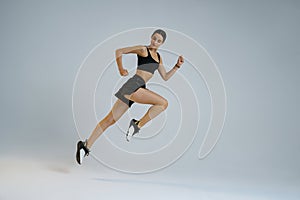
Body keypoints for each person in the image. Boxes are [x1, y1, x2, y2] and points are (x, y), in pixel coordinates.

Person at [76, 29, 184, 164]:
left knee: (110, 120)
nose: (155, 42)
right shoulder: (143, 50)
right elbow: (119, 51)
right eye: (154, 38)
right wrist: (121, 69)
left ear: (162, 43)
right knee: (163, 103)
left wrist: (177, 66)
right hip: (134, 84)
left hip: (140, 87)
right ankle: (137, 125)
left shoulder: (159, 57)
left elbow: (165, 77)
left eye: (159, 41)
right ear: (151, 37)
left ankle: (85, 146)